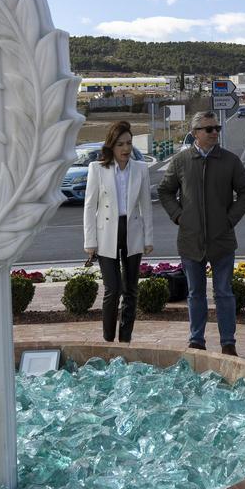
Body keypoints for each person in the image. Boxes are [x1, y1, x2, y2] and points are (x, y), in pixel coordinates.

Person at [158, 110, 245, 355]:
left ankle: (228, 343)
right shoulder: (181, 161)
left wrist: (230, 219)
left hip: (222, 240)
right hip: (190, 240)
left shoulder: (230, 161)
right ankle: (196, 341)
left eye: (217, 128)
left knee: (224, 293)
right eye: (209, 129)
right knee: (195, 293)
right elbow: (165, 191)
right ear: (195, 133)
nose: (214, 133)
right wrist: (178, 216)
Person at [82, 121, 154, 343]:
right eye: (120, 144)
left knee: (131, 289)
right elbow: (89, 207)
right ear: (111, 146)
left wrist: (148, 238)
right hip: (106, 233)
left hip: (132, 231)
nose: (125, 148)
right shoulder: (97, 169)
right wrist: (90, 242)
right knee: (112, 288)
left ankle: (125, 339)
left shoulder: (140, 168)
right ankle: (108, 339)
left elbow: (146, 206)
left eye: (129, 143)